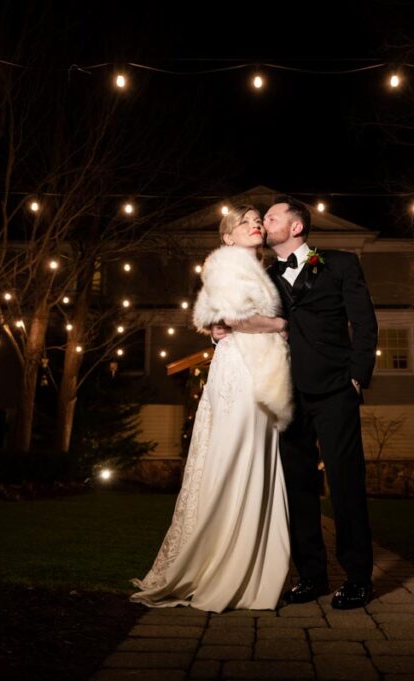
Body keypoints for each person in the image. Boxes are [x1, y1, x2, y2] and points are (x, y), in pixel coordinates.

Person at [130, 205, 292, 612]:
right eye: (245, 221)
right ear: (227, 237)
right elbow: (234, 320)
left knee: (259, 460)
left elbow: (221, 321)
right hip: (240, 373)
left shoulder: (263, 270)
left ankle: (255, 569)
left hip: (263, 371)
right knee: (234, 457)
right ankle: (221, 567)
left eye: (259, 220)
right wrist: (283, 325)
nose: (255, 224)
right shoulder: (225, 266)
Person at [257, 194, 378, 610]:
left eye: (271, 217)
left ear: (296, 226)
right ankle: (311, 576)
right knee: (297, 488)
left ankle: (358, 579)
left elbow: (363, 322)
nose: (263, 222)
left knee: (346, 484)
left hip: (335, 390)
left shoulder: (340, 263)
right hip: (286, 394)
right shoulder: (265, 276)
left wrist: (357, 377)